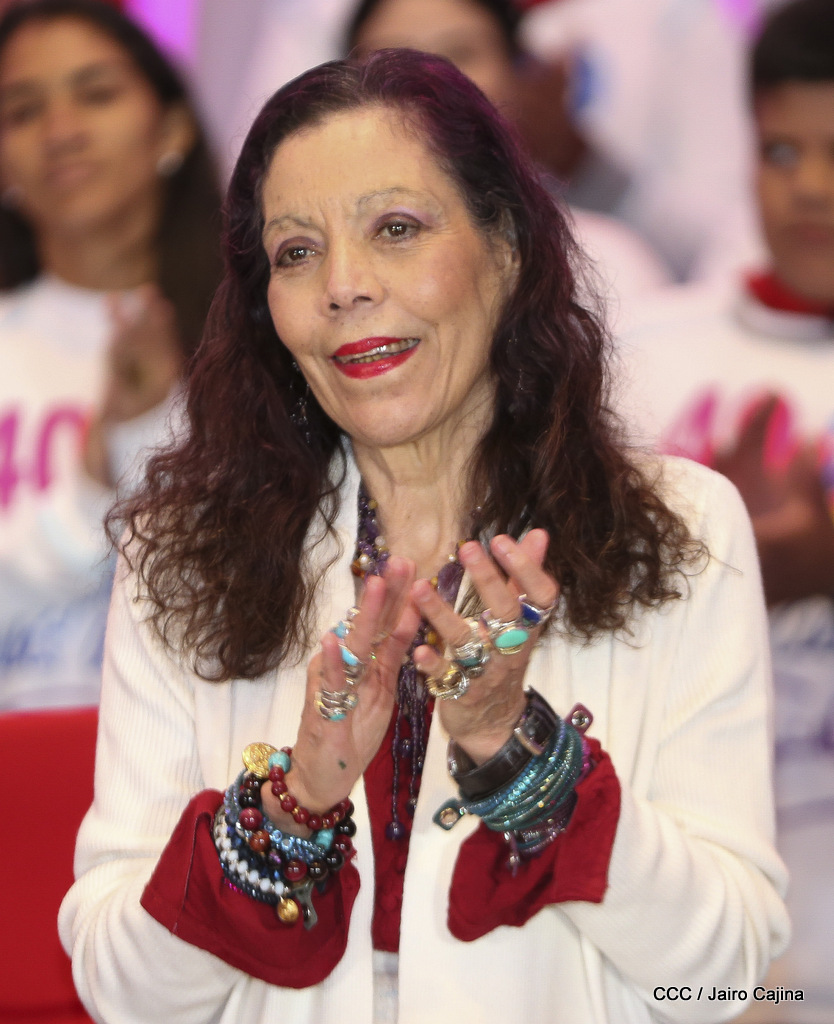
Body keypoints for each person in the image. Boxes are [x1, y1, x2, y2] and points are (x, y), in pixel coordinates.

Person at [59, 49, 787, 1024]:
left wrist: (522, 759)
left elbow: (723, 976)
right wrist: (292, 807)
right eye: (296, 252)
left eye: (396, 229)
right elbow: (122, 992)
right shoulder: (183, 559)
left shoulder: (680, 530)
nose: (343, 286)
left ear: (507, 247)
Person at [616, 1, 834, 1019]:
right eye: (782, 150)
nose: (811, 186)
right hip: (693, 938)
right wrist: (708, 565)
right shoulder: (644, 353)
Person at [0, 0, 222, 709]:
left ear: (173, 126)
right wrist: (101, 469)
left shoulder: (258, 339)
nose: (61, 131)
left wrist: (152, 424)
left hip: (197, 754)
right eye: (23, 110)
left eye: (96, 94)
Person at [343, 0, 672, 320]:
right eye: (394, 62)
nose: (428, 84)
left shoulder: (607, 264)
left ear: (518, 75)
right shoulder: (335, 275)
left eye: (460, 53)